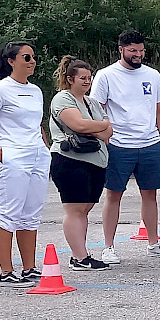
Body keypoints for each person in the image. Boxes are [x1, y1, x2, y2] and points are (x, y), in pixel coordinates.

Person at [91, 29, 160, 262]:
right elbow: (97, 110)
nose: (138, 55)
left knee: (150, 194)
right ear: (121, 50)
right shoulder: (106, 75)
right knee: (113, 194)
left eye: (141, 50)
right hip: (118, 145)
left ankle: (153, 243)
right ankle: (108, 247)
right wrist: (105, 139)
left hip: (150, 144)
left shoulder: (152, 75)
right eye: (132, 51)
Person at [0, 41, 52, 287]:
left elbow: (35, 124)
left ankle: (29, 268)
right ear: (11, 61)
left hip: (37, 156)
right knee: (8, 214)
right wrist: (0, 153)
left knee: (31, 214)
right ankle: (6, 271)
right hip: (13, 157)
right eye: (26, 57)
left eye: (33, 57)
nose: (32, 61)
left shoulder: (35, 91)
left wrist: (44, 148)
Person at [48, 55, 114, 271]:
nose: (87, 81)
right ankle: (80, 257)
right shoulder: (62, 99)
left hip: (95, 161)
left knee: (84, 208)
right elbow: (79, 125)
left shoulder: (91, 102)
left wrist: (96, 126)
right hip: (70, 160)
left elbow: (108, 131)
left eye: (89, 78)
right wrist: (99, 125)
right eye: (82, 78)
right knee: (74, 209)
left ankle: (81, 253)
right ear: (70, 79)